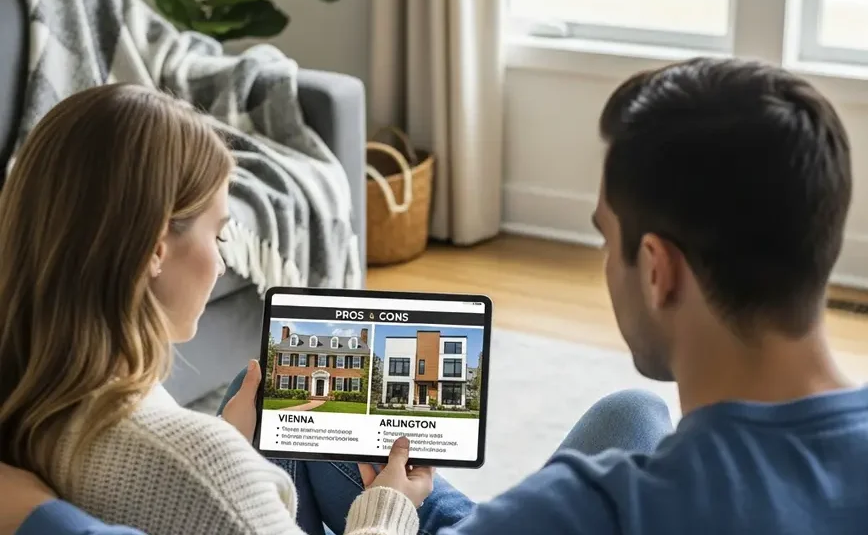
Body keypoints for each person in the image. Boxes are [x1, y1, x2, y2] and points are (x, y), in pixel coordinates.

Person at [6, 56, 868, 533]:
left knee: (630, 417)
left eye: (602, 237)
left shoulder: (585, 510)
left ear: (657, 269)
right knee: (630, 416)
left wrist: (47, 522)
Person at [0, 84, 433, 535]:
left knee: (285, 412)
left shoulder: (33, 395)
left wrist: (229, 438)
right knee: (438, 505)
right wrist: (390, 508)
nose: (223, 263)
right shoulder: (200, 465)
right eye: (219, 235)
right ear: (155, 248)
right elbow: (195, 486)